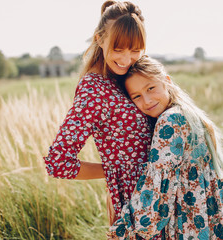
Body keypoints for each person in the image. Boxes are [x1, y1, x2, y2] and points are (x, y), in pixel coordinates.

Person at [43, 0, 153, 226]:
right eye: (118, 48)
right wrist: (116, 172)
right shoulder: (93, 89)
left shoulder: (131, 75)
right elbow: (58, 162)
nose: (126, 59)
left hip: (164, 196)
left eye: (135, 49)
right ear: (99, 40)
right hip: (137, 207)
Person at [107, 56, 223, 239]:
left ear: (166, 82)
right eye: (136, 96)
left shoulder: (170, 120)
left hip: (192, 219)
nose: (146, 100)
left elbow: (159, 189)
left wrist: (124, 227)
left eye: (151, 88)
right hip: (215, 215)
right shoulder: (187, 112)